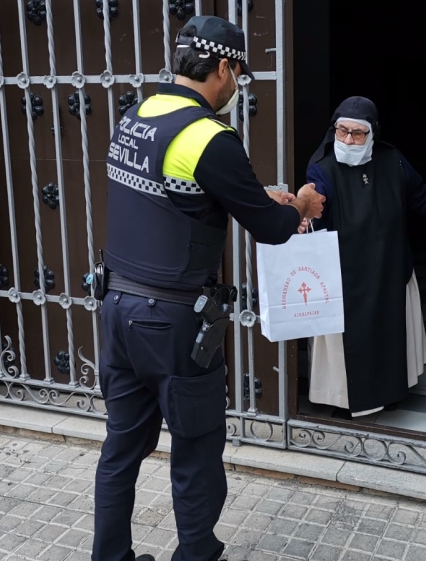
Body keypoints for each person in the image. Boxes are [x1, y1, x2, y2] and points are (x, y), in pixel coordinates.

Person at [94, 15, 324, 561]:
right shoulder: (209, 137)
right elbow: (270, 230)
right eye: (238, 74)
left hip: (117, 307)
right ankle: (196, 553)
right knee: (196, 450)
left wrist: (249, 195)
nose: (236, 86)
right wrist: (303, 207)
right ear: (224, 67)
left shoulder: (136, 115)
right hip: (173, 324)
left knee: (121, 448)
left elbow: (177, 194)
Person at [304, 96, 426, 419]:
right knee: (348, 344)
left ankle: (390, 392)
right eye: (342, 132)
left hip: (388, 267)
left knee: (389, 333)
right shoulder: (322, 167)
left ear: (372, 134)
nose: (348, 140)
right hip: (345, 273)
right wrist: (302, 211)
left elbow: (419, 194)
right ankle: (343, 400)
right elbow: (314, 199)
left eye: (358, 133)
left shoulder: (391, 160)